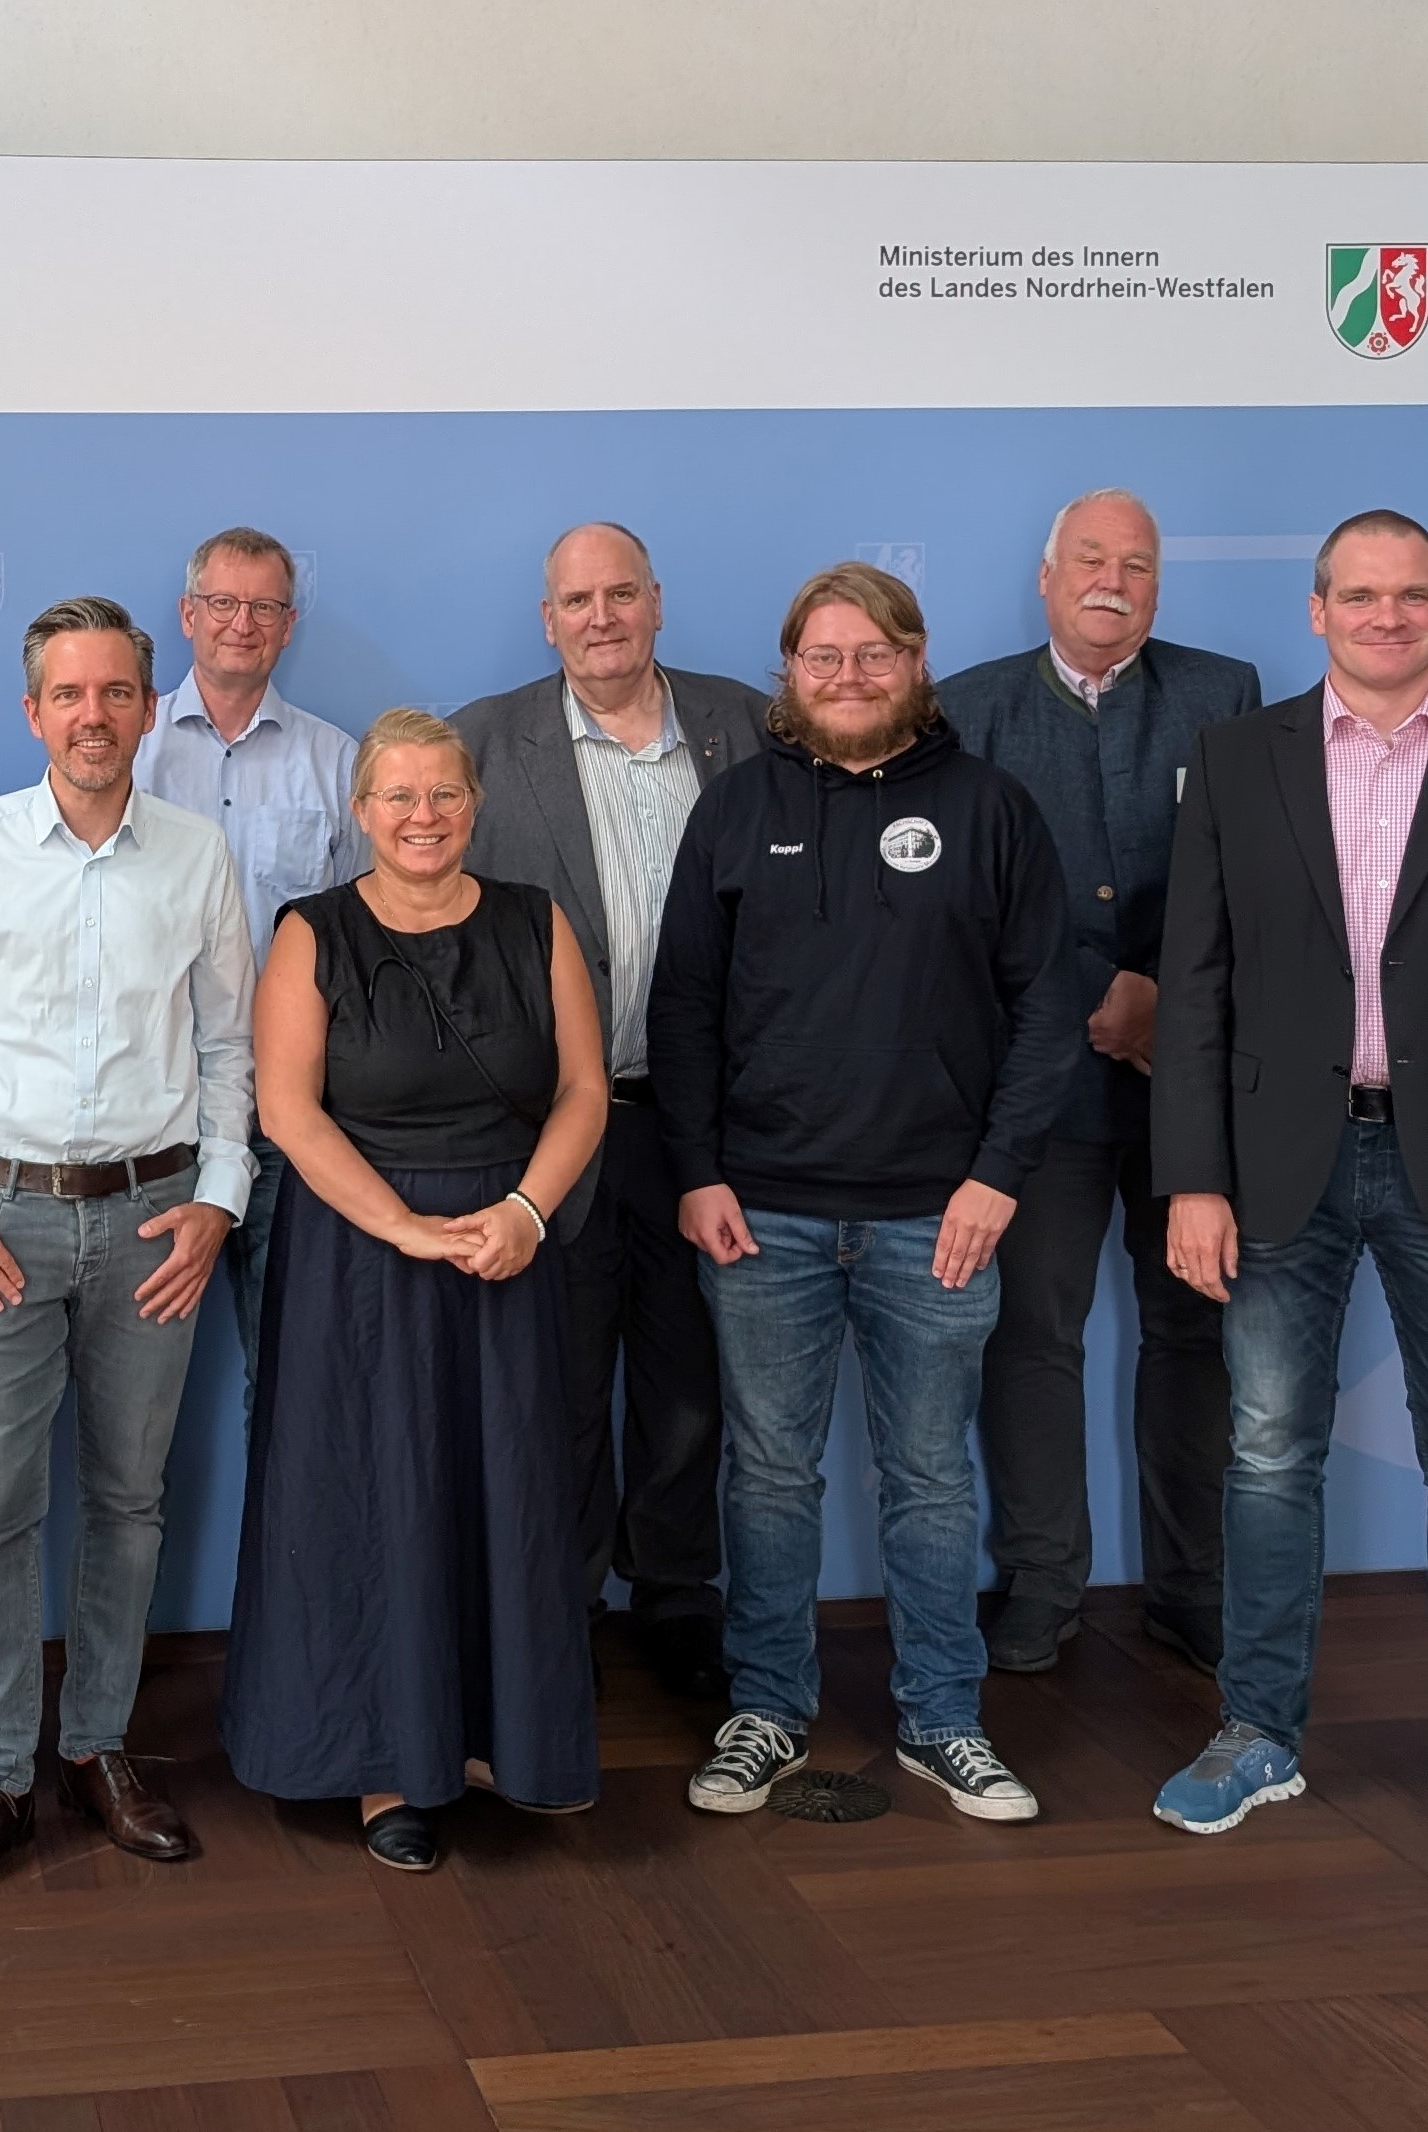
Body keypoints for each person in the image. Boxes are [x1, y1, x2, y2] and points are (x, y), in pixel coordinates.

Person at [1150, 509, 1428, 1895]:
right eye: (1359, 595)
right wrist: (1192, 1175)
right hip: (1275, 1164)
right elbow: (1194, 984)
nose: (1386, 616)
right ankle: (1256, 1734)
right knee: (1265, 1456)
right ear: (1316, 611)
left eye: (1412, 594)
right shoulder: (1237, 756)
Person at [652, 564, 1079, 1824]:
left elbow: (1046, 1010)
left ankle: (943, 1717)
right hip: (760, 1214)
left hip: (935, 1216)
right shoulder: (734, 808)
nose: (847, 676)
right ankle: (767, 1709)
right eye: (822, 656)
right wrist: (696, 1170)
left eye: (872, 653)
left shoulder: (992, 809)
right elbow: (682, 1007)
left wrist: (995, 1177)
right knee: (769, 1475)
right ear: (789, 670)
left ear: (914, 659)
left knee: (931, 1477)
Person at [0, 594, 254, 1907]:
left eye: (116, 692)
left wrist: (219, 1198)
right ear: (32, 712)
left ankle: (94, 1746)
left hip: (154, 1222)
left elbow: (228, 1047)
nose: (94, 715)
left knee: (128, 1505)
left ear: (147, 708)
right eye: (68, 694)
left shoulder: (196, 854)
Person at [224, 709, 609, 1870]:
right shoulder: (312, 931)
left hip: (506, 1243)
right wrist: (399, 1226)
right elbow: (286, 1109)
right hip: (357, 1256)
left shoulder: (536, 920)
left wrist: (525, 1212)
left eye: (442, 793)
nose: (421, 815)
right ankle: (384, 1763)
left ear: (473, 803)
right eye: (397, 795)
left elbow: (583, 1090)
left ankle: (500, 1738)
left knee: (506, 1490)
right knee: (372, 1496)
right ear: (360, 810)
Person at [939, 489, 1262, 1676]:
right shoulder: (967, 709)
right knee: (1032, 1336)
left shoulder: (1223, 694)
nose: (1110, 581)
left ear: (1157, 586)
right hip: (1041, 1089)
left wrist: (1164, 1000)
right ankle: (1039, 1581)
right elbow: (965, 906)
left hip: (1193, 1084)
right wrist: (1100, 997)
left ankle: (1193, 1587)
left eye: (1134, 564)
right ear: (1046, 576)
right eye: (1088, 558)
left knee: (1193, 1333)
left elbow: (1254, 879)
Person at [454, 523, 769, 1702]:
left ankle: (677, 1594)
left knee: (689, 1377)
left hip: (703, 1126)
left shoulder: (748, 726)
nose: (601, 617)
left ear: (656, 603)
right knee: (564, 1380)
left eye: (620, 593)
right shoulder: (483, 741)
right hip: (553, 1129)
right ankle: (564, 1596)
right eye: (577, 600)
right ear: (548, 620)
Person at [131, 527, 360, 1375]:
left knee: (294, 1369)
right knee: (135, 1378)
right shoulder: (126, 750)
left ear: (289, 625)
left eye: (264, 607)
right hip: (150, 1107)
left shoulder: (337, 763)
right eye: (223, 603)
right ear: (187, 615)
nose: (242, 623)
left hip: (285, 1112)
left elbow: (366, 939)